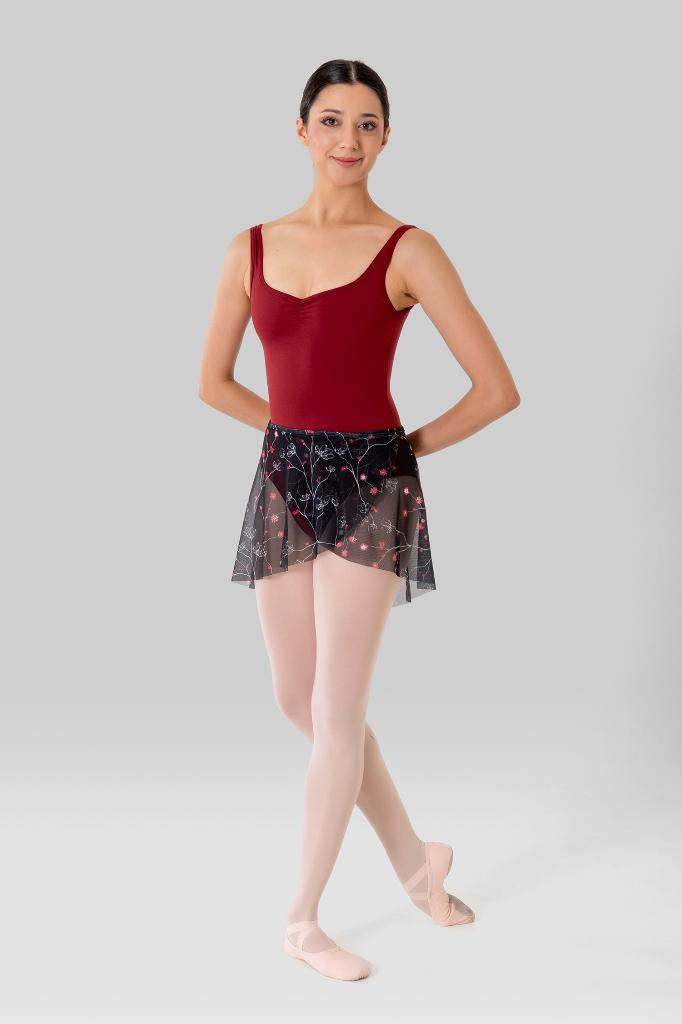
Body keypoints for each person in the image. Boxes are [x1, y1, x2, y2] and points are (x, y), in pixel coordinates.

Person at [198, 58, 520, 982]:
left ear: (386, 138)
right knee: (297, 701)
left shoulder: (408, 249)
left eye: (368, 123)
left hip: (372, 486)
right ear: (301, 130)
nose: (349, 139)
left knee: (339, 711)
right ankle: (420, 864)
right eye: (333, 120)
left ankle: (302, 920)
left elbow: (495, 389)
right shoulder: (249, 247)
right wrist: (298, 434)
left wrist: (397, 448)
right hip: (283, 481)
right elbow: (213, 383)